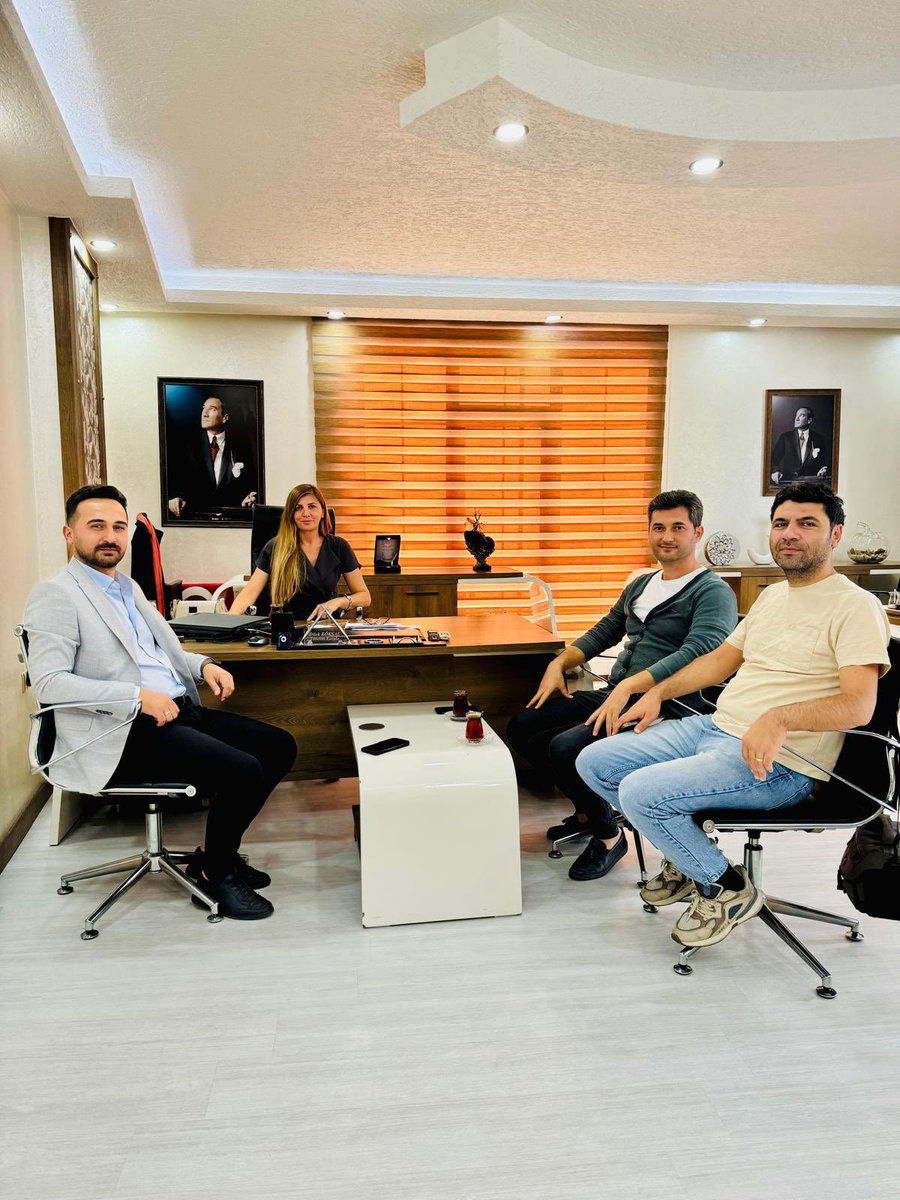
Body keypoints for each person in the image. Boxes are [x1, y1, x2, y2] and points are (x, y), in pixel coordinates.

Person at [576, 483, 891, 950]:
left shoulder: (856, 606)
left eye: (807, 524)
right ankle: (689, 860)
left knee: (640, 792)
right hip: (715, 728)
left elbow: (859, 705)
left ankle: (727, 888)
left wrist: (778, 719)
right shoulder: (772, 596)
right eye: (781, 523)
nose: (789, 533)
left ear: (836, 535)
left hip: (780, 761)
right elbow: (720, 661)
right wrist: (657, 692)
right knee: (595, 762)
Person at [23, 485, 297, 920]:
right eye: (96, 526)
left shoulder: (126, 587)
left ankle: (213, 856)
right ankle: (217, 874)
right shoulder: (56, 595)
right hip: (120, 728)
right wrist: (136, 696)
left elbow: (155, 652)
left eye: (118, 527)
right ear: (69, 534)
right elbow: (49, 684)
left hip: (174, 711)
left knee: (279, 746)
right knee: (242, 770)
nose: (110, 536)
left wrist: (203, 664)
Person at [506, 489, 737, 881]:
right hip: (618, 692)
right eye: (658, 528)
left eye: (678, 528)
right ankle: (589, 811)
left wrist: (630, 687)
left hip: (666, 705)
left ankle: (609, 836)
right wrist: (560, 661)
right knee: (524, 725)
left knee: (565, 747)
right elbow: (606, 630)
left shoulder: (712, 591)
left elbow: (700, 651)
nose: (666, 537)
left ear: (697, 533)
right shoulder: (642, 583)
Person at [230, 483, 371, 620]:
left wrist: (338, 602)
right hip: (286, 627)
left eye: (312, 506)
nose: (306, 513)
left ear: (323, 511)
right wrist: (228, 621)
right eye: (298, 508)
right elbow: (248, 594)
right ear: (291, 514)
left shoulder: (339, 546)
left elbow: (364, 596)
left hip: (324, 627)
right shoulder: (275, 547)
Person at [167, 395, 258, 517]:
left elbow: (248, 484)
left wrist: (247, 498)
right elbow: (175, 479)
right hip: (195, 517)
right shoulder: (187, 444)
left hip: (230, 518)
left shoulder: (241, 446)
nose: (204, 414)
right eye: (203, 408)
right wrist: (174, 498)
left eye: (212, 409)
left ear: (225, 418)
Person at [770, 405, 831, 485]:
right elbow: (774, 458)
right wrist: (775, 471)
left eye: (801, 415)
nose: (797, 419)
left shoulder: (819, 439)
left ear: (809, 420)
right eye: (796, 415)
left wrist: (824, 469)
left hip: (811, 483)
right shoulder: (785, 437)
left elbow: (825, 461)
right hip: (788, 482)